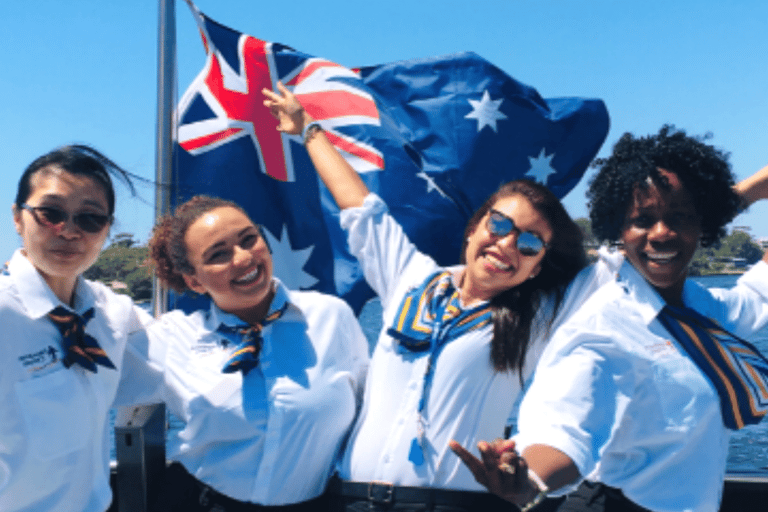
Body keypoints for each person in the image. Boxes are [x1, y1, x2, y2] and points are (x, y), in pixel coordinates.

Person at [262, 82, 617, 511]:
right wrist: (307, 129)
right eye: (499, 225)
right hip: (352, 498)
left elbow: (617, 267)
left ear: (537, 266)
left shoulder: (537, 319)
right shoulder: (411, 277)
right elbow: (360, 207)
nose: (506, 245)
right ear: (473, 229)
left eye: (529, 244)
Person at [451, 126, 768, 512]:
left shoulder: (702, 310)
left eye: (681, 217)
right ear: (619, 229)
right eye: (643, 219)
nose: (661, 233)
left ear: (703, 225)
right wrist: (528, 478)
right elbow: (563, 425)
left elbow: (757, 293)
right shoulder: (600, 328)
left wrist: (754, 187)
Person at [118, 195, 369, 512]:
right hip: (201, 501)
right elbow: (84, 383)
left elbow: (370, 411)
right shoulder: (172, 339)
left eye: (249, 239)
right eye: (218, 254)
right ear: (194, 281)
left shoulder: (331, 317)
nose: (243, 258)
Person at [0, 145, 147, 512]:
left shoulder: (111, 313)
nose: (68, 231)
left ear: (107, 229)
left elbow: (189, 351)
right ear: (18, 218)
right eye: (50, 213)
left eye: (90, 219)